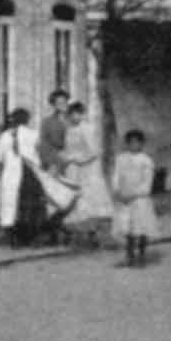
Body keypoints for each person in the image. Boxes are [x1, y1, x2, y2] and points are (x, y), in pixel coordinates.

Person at [0, 109, 50, 246]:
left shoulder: (5, 136)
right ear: (27, 120)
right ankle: (30, 236)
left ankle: (13, 237)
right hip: (29, 173)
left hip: (11, 174)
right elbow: (42, 153)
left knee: (11, 204)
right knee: (30, 206)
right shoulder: (33, 134)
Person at [60, 102, 113, 242]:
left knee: (88, 198)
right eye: (71, 114)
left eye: (77, 114)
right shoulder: (70, 130)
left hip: (86, 169)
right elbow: (68, 149)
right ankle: (80, 234)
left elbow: (94, 151)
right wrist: (66, 157)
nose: (74, 117)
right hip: (73, 169)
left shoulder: (87, 129)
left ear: (82, 114)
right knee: (75, 199)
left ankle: (93, 233)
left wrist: (79, 159)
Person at [110, 129, 158, 268]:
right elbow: (116, 176)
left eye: (137, 143)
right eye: (131, 143)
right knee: (128, 229)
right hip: (124, 198)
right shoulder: (121, 159)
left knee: (141, 228)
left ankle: (142, 254)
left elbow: (147, 184)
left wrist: (134, 194)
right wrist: (117, 191)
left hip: (139, 199)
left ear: (142, 144)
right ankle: (130, 255)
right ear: (127, 144)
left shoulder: (146, 161)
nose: (134, 145)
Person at [39, 90, 72, 174]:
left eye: (65, 102)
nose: (63, 105)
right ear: (54, 105)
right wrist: (51, 163)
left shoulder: (74, 121)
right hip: (55, 164)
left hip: (75, 164)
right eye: (59, 103)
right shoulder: (47, 122)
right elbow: (43, 146)